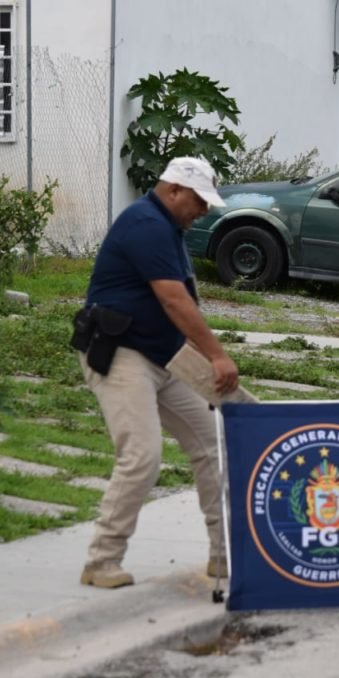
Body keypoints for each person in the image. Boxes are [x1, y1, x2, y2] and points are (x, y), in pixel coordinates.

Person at [73, 157, 239, 589]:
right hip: (122, 355)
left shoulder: (169, 227)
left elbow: (181, 303)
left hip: (163, 357)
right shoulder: (146, 224)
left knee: (213, 445)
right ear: (174, 191)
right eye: (200, 201)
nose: (204, 210)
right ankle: (101, 561)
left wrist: (197, 360)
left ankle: (226, 556)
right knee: (142, 455)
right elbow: (173, 300)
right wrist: (217, 357)